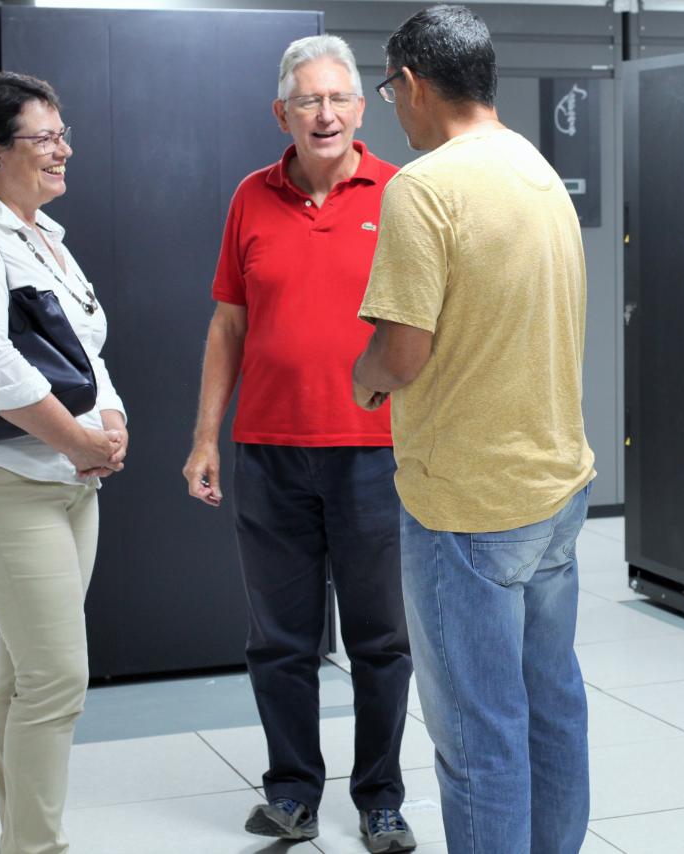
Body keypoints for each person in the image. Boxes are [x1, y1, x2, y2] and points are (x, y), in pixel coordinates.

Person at [352, 6, 596, 853]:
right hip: (556, 490)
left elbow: (404, 352)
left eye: (390, 90)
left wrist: (364, 375)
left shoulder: (423, 187)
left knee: (478, 739)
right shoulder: (535, 168)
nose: (394, 108)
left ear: (414, 84)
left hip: (467, 506)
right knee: (552, 710)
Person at [181, 34, 416, 854]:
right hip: (270, 452)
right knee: (279, 640)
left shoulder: (402, 194)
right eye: (307, 100)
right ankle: (291, 793)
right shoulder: (251, 197)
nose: (324, 114)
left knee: (381, 639)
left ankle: (381, 799)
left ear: (361, 107)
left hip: (375, 455)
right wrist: (205, 436)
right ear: (281, 111)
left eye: (338, 98)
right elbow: (228, 323)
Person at [0, 71, 128, 854]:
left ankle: (19, 843)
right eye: (44, 138)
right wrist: (76, 440)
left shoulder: (48, 237)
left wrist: (111, 419)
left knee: (24, 671)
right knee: (56, 680)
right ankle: (40, 848)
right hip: (4, 481)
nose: (63, 149)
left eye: (61, 133)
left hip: (66, 481)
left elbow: (85, 351)